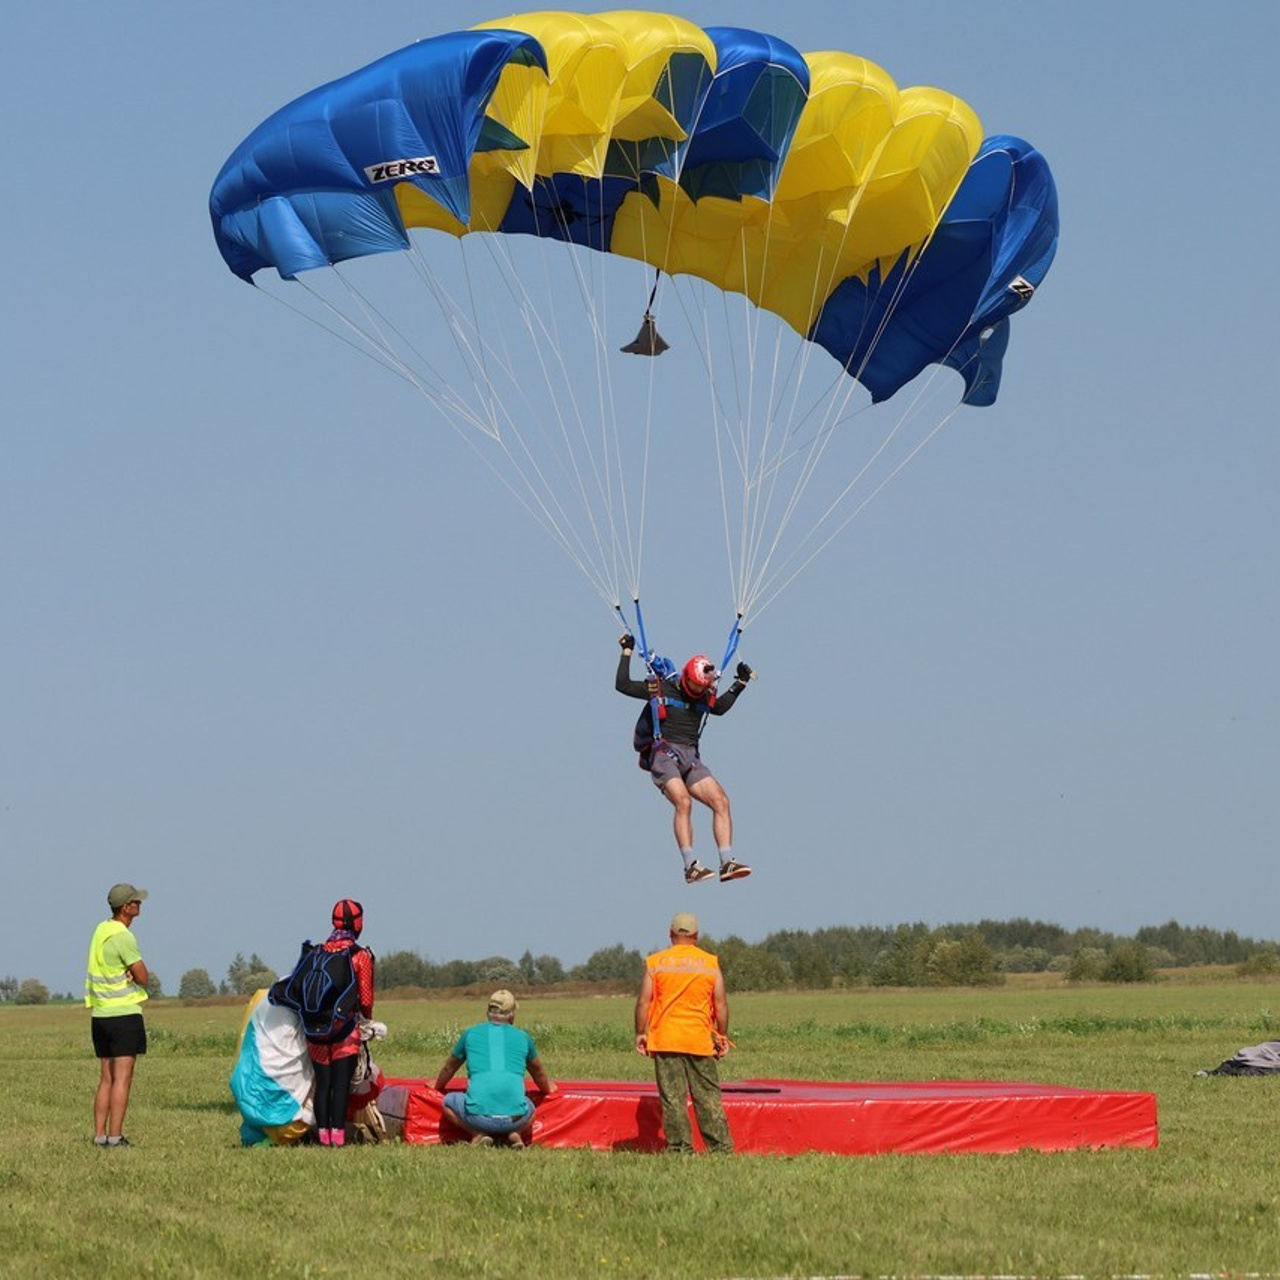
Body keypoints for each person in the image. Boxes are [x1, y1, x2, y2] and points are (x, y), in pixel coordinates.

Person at [616, 633, 754, 884]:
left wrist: (740, 683)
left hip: (690, 757)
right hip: (663, 754)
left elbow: (719, 708)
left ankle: (727, 863)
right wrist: (626, 652)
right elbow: (622, 685)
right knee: (683, 802)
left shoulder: (704, 694)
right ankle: (690, 866)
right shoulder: (660, 687)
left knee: (721, 801)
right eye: (696, 689)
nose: (699, 694)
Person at [634, 912, 734, 1154]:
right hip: (699, 1039)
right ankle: (720, 1148)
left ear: (670, 934)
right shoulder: (710, 962)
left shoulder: (656, 962)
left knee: (673, 1097)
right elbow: (720, 1003)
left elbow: (643, 1003)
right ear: (696, 936)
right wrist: (721, 1035)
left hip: (666, 1039)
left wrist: (640, 1032)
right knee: (708, 1096)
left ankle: (680, 1148)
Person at [433, 990, 556, 1147]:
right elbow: (538, 1073)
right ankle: (515, 1134)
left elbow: (449, 1068)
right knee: (530, 1107)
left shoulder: (470, 1033)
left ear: (488, 1013)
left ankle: (477, 1133)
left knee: (448, 1102)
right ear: (512, 1016)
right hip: (515, 1119)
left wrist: (437, 1086)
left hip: (478, 1118)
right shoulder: (523, 1037)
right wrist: (548, 1089)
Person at [84, 882, 151, 1147]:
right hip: (124, 1014)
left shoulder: (101, 930)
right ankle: (116, 1136)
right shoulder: (124, 936)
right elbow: (143, 976)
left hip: (100, 1015)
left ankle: (100, 1135)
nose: (139, 905)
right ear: (126, 907)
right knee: (123, 1077)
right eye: (136, 902)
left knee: (106, 1078)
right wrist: (132, 973)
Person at [307, 899, 375, 1147]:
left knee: (323, 1084)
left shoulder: (317, 952)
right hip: (344, 1030)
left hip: (315, 1029)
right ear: (358, 923)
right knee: (341, 1085)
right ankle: (338, 1137)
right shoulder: (360, 956)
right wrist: (366, 1018)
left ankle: (322, 1136)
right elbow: (366, 998)